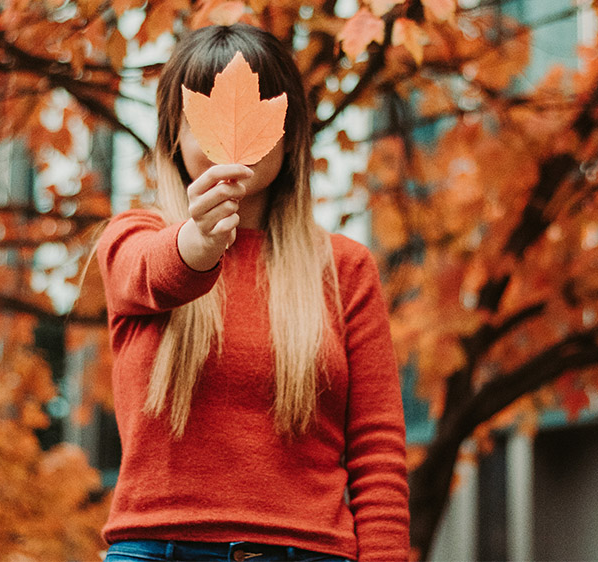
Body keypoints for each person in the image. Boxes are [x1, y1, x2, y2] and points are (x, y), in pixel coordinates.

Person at [95, 23, 409, 562]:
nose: (229, 136)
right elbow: (154, 273)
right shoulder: (131, 239)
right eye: (204, 115)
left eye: (260, 110)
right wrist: (198, 244)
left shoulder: (344, 269)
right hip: (158, 549)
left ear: (289, 135)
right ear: (173, 133)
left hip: (309, 551)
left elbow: (378, 455)